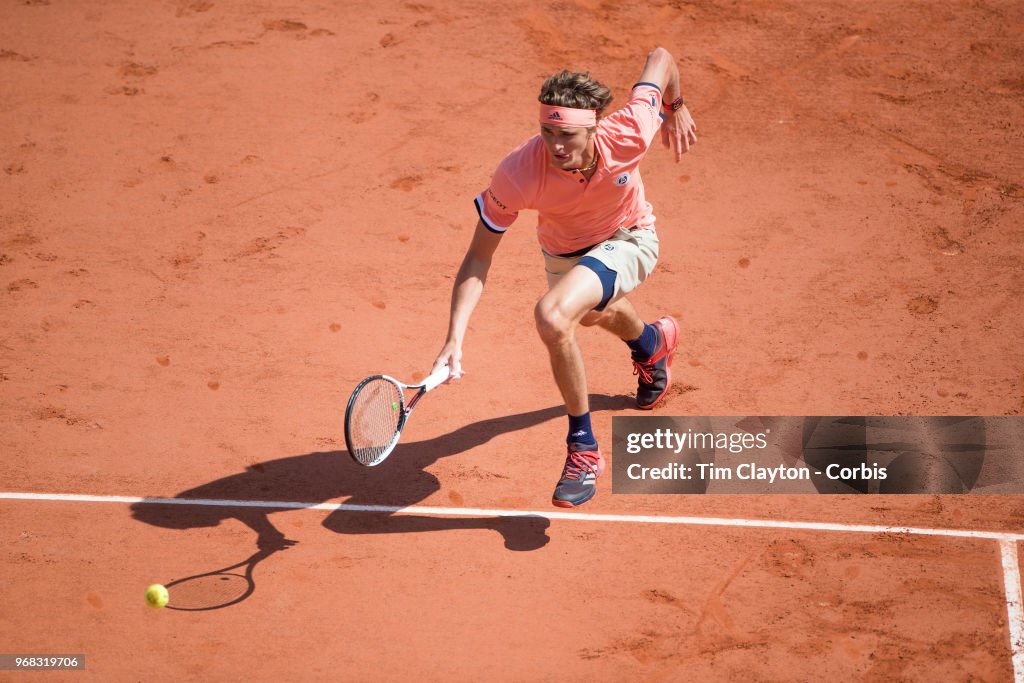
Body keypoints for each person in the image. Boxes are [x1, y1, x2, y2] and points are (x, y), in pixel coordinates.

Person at [432, 47, 698, 508]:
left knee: (554, 316)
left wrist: (675, 107)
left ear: (595, 126)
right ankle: (652, 345)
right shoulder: (518, 173)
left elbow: (662, 58)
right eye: (547, 131)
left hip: (630, 236)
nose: (556, 147)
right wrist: (454, 337)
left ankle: (584, 448)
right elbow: (478, 257)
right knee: (592, 314)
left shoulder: (631, 130)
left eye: (568, 135)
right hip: (564, 253)